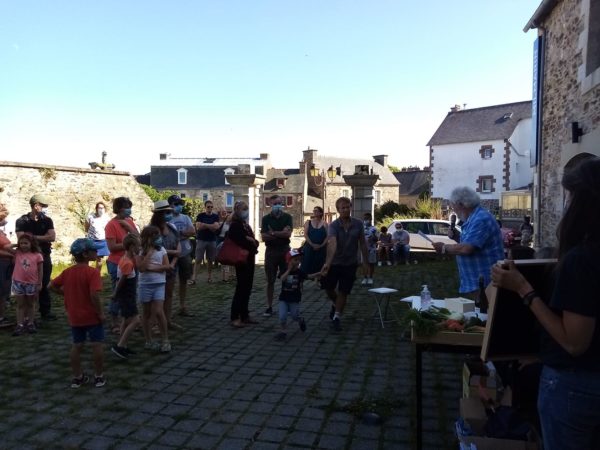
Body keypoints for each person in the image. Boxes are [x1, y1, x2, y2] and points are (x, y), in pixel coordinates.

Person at [491, 157, 600, 450]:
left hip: (576, 388)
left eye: (569, 197)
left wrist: (523, 288)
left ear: (581, 204)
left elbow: (576, 342)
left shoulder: (582, 260)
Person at [49, 238, 105, 388]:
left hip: (74, 315)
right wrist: (100, 313)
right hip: (91, 316)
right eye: (94, 249)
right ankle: (98, 376)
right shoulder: (92, 273)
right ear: (86, 254)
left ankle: (77, 377)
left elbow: (51, 286)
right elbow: (94, 295)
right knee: (97, 345)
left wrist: (64, 294)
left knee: (77, 345)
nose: (96, 251)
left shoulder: (67, 272)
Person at [432, 187, 504, 298]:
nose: (453, 210)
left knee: (486, 313)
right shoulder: (473, 218)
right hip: (478, 282)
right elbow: (472, 242)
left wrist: (443, 248)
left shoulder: (481, 219)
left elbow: (467, 249)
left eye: (453, 206)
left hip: (485, 282)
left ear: (461, 204)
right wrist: (456, 236)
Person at [320, 197, 369, 332]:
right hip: (334, 262)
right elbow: (333, 243)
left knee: (344, 291)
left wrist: (365, 262)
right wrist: (328, 264)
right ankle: (337, 305)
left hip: (350, 263)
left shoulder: (358, 224)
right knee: (328, 288)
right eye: (343, 208)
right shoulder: (333, 226)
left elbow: (363, 243)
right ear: (338, 210)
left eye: (348, 207)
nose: (346, 210)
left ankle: (336, 317)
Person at [15, 194, 56, 320]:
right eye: (43, 206)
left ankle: (45, 311)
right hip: (28, 257)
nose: (45, 208)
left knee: (44, 282)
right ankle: (27, 315)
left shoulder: (47, 220)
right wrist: (41, 238)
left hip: (44, 254)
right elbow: (21, 239)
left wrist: (33, 237)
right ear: (36, 206)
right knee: (27, 283)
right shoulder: (22, 221)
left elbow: (52, 237)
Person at [105, 197, 139, 332]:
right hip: (116, 263)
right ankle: (114, 322)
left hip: (131, 262)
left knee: (131, 292)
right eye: (127, 207)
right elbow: (112, 247)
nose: (129, 210)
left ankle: (130, 319)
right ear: (119, 209)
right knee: (117, 292)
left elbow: (138, 237)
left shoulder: (129, 221)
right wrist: (128, 244)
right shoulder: (111, 225)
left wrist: (129, 227)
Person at [137, 225, 172, 353]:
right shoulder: (141, 251)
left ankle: (165, 340)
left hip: (159, 284)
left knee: (158, 311)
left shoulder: (162, 249)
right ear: (148, 238)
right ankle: (148, 339)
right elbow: (141, 268)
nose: (158, 238)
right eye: (155, 235)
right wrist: (149, 253)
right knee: (146, 313)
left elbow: (167, 266)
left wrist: (152, 268)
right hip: (145, 285)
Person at [227, 201, 259, 328]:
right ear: (237, 210)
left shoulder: (245, 224)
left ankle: (245, 315)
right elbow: (240, 241)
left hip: (249, 259)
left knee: (247, 288)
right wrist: (250, 240)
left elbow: (251, 239)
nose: (246, 211)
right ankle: (234, 317)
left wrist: (252, 240)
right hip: (241, 260)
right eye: (243, 209)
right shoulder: (235, 225)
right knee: (241, 288)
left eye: (246, 208)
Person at [150, 200, 181, 330]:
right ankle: (156, 324)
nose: (170, 214)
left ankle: (167, 321)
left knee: (168, 295)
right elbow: (153, 248)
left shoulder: (172, 227)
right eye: (167, 212)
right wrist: (175, 252)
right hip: (158, 267)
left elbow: (177, 242)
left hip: (171, 266)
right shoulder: (152, 230)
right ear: (160, 214)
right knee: (157, 298)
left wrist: (173, 261)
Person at [261, 194, 293, 317]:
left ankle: (287, 304)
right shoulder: (265, 219)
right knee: (270, 280)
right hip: (271, 251)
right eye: (275, 204)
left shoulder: (287, 217)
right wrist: (281, 233)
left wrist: (273, 232)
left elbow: (288, 235)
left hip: (285, 250)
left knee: (287, 278)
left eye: (279, 203)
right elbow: (264, 237)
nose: (278, 206)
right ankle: (269, 306)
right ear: (270, 204)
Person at [110, 234, 141, 359]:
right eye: (138, 246)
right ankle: (120, 346)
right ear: (132, 246)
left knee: (125, 320)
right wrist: (115, 294)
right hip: (127, 296)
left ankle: (123, 344)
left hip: (126, 295)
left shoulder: (124, 259)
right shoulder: (128, 263)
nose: (139, 248)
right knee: (135, 320)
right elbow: (122, 280)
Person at [167, 195, 195, 316]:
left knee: (183, 280)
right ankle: (168, 309)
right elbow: (167, 236)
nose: (179, 206)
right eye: (176, 204)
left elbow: (193, 231)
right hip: (170, 254)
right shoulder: (167, 219)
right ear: (171, 205)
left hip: (184, 252)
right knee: (170, 282)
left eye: (180, 204)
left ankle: (182, 306)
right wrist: (184, 234)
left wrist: (179, 233)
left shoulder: (186, 217)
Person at [274, 249, 310, 342]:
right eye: (295, 260)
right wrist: (289, 270)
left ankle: (300, 320)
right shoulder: (284, 270)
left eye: (299, 260)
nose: (298, 262)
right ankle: (283, 331)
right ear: (289, 261)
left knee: (294, 316)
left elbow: (308, 276)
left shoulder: (300, 272)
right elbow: (282, 279)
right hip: (284, 298)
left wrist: (319, 273)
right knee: (282, 316)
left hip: (295, 298)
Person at [11, 233, 43, 335]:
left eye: (26, 243)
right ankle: (20, 324)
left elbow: (40, 270)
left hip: (31, 283)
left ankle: (30, 322)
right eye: (21, 243)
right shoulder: (17, 253)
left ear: (31, 243)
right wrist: (16, 245)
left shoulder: (37, 255)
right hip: (18, 282)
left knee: (30, 304)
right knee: (20, 304)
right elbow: (7, 247)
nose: (23, 245)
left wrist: (39, 283)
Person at [192, 200, 220, 284]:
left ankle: (209, 277)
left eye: (211, 207)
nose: (210, 208)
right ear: (205, 207)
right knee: (198, 259)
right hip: (201, 240)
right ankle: (194, 278)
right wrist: (210, 226)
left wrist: (204, 225)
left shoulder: (215, 216)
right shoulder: (200, 215)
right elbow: (198, 227)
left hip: (211, 240)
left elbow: (216, 227)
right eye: (208, 207)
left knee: (210, 260)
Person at [301, 206, 328, 275]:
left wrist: (321, 245)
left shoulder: (325, 224)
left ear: (320, 213)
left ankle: (318, 279)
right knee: (307, 264)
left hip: (321, 248)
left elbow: (328, 236)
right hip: (309, 247)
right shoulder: (308, 222)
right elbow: (305, 235)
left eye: (316, 211)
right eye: (314, 210)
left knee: (319, 264)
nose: (314, 212)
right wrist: (312, 244)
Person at [0, 203, 14, 327]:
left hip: (5, 264)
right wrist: (11, 254)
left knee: (4, 292)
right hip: (1, 264)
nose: (5, 221)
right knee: (1, 292)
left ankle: (2, 317)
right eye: (3, 218)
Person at [85, 202, 111, 268]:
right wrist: (87, 236)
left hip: (102, 240)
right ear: (96, 209)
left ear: (105, 209)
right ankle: (87, 273)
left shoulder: (107, 217)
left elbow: (108, 228)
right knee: (88, 258)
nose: (101, 209)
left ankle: (97, 275)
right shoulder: (90, 216)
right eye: (99, 208)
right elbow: (86, 227)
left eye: (102, 208)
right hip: (92, 240)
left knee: (99, 259)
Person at [360, 213, 378, 286]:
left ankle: (370, 277)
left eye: (367, 219)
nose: (366, 220)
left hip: (372, 248)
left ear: (371, 219)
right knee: (364, 263)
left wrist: (373, 237)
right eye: (365, 219)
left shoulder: (374, 228)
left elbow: (377, 239)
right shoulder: (361, 228)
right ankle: (365, 277)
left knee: (371, 263)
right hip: (363, 248)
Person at [216, 210, 233, 282]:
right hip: (220, 240)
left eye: (230, 216)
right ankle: (224, 277)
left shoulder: (232, 225)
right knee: (222, 258)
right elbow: (218, 231)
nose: (229, 217)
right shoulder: (222, 223)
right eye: (228, 216)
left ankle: (227, 276)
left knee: (228, 258)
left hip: (228, 241)